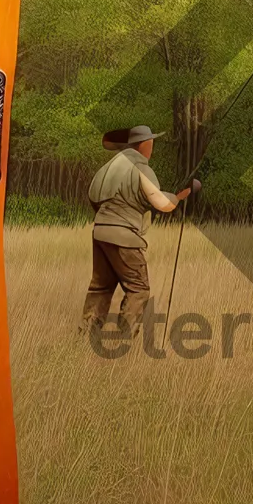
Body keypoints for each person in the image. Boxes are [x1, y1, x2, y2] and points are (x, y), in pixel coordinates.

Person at [79, 124, 191, 341]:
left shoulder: (107, 168)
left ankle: (86, 336)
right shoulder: (140, 168)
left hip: (100, 232)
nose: (152, 148)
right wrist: (177, 198)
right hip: (124, 235)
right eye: (151, 144)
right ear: (144, 145)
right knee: (138, 288)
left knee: (100, 287)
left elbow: (94, 197)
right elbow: (160, 202)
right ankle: (124, 338)